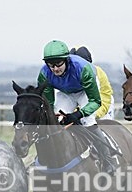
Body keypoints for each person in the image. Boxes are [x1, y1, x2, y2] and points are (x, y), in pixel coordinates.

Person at [37, 40, 117, 173]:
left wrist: (79, 114)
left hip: (85, 91)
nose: (55, 69)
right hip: (66, 93)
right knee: (56, 121)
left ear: (66, 60)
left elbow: (96, 101)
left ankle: (108, 161)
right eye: (51, 65)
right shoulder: (44, 74)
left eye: (58, 64)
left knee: (87, 121)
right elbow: (49, 103)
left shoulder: (83, 69)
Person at [70, 45, 114, 120]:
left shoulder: (99, 72)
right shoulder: (64, 75)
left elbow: (105, 97)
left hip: (100, 110)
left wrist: (93, 114)